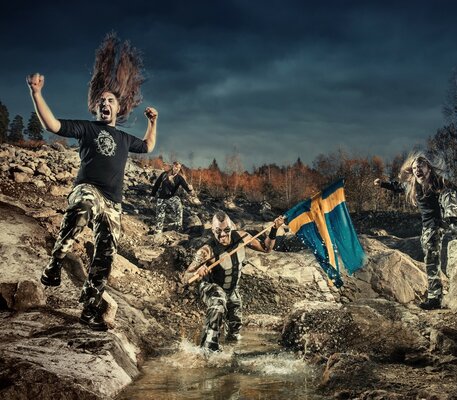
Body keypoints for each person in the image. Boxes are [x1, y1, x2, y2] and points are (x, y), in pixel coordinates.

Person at [28, 33, 158, 331]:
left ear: (118, 108)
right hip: (88, 190)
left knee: (106, 255)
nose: (105, 103)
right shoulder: (86, 129)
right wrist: (36, 94)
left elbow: (149, 147)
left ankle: (89, 309)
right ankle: (55, 262)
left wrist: (153, 122)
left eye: (110, 100)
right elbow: (53, 125)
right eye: (101, 101)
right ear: (95, 108)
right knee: (84, 205)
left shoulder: (125, 138)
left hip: (113, 204)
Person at [374, 152, 457, 310]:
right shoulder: (412, 185)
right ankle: (435, 298)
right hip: (431, 225)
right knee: (430, 255)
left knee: (449, 193)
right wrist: (382, 184)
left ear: (428, 167)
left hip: (446, 218)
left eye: (420, 166)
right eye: (414, 168)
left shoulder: (441, 181)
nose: (417, 170)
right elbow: (397, 187)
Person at [183, 211, 285, 351]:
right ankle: (208, 348)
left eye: (226, 230)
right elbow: (185, 277)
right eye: (218, 231)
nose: (223, 235)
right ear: (213, 230)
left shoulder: (243, 237)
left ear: (232, 227)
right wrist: (197, 271)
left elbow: (266, 248)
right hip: (212, 287)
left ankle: (230, 354)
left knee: (235, 329)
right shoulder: (207, 250)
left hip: (231, 290)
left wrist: (274, 228)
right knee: (218, 303)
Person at [150, 161, 193, 234]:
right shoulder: (164, 174)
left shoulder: (179, 178)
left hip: (171, 197)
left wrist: (190, 189)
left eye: (179, 168)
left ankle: (179, 228)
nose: (177, 169)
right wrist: (152, 195)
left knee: (179, 208)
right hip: (162, 197)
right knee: (160, 214)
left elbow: (186, 188)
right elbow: (156, 185)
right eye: (176, 167)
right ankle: (158, 230)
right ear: (173, 166)